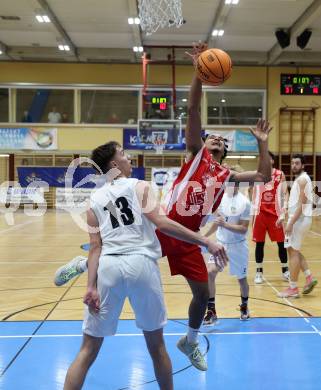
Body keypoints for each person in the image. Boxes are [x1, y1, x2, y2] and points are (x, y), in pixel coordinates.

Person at [55, 43, 272, 371]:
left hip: (188, 236)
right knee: (123, 251)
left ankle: (191, 340)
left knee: (202, 295)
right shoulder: (195, 154)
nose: (215, 140)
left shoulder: (227, 174)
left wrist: (263, 143)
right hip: (165, 223)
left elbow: (264, 174)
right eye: (210, 137)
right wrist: (200, 71)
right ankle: (84, 263)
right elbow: (196, 107)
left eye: (219, 140)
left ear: (224, 149)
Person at [63, 141, 226, 390]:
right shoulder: (140, 186)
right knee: (156, 346)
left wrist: (90, 287)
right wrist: (205, 241)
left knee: (87, 349)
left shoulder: (93, 200)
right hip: (141, 265)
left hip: (108, 267)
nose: (129, 159)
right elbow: (162, 223)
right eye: (124, 155)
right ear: (114, 164)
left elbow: (96, 247)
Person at [203, 171, 251, 325]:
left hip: (238, 246)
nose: (231, 184)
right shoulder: (220, 200)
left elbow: (243, 229)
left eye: (235, 181)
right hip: (221, 244)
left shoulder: (245, 203)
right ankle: (211, 311)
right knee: (210, 273)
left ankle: (244, 306)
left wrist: (225, 224)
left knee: (242, 279)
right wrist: (205, 237)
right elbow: (217, 223)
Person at [278, 154, 318, 298]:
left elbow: (302, 204)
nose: (294, 165)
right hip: (299, 219)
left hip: (299, 220)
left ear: (303, 165)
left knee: (293, 252)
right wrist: (284, 217)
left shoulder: (302, 180)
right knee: (293, 250)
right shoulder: (302, 179)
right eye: (292, 163)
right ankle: (309, 277)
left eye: (297, 163)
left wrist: (291, 222)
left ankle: (293, 288)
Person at [251, 151, 289, 284]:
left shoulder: (280, 174)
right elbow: (254, 194)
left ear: (272, 161)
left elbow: (285, 193)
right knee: (259, 244)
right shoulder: (258, 175)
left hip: (276, 215)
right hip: (260, 214)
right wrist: (253, 214)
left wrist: (284, 211)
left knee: (281, 244)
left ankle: (285, 271)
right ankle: (259, 272)